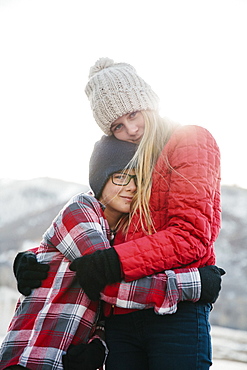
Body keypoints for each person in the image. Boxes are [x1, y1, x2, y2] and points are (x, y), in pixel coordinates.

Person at [1, 135, 223, 370]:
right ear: (100, 180)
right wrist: (194, 284)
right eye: (121, 177)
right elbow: (109, 286)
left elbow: (96, 300)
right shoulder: (80, 212)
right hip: (29, 357)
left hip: (63, 359)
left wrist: (98, 343)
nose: (132, 187)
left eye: (139, 179)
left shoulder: (116, 233)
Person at [69, 57, 223, 369]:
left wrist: (115, 262)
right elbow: (96, 222)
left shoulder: (190, 139)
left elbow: (191, 235)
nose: (132, 129)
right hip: (120, 317)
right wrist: (37, 261)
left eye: (133, 113)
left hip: (175, 314)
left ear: (148, 102)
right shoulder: (121, 159)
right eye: (117, 126)